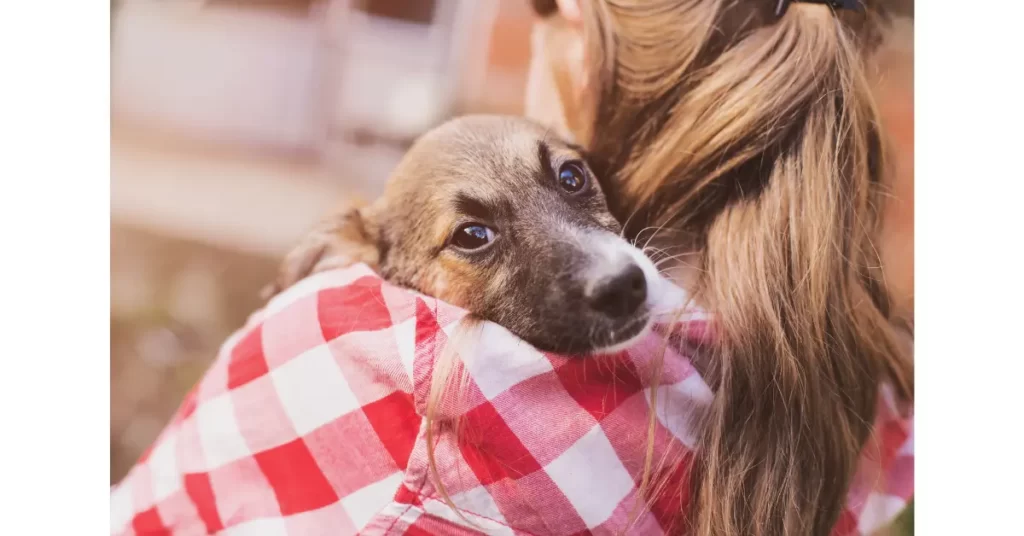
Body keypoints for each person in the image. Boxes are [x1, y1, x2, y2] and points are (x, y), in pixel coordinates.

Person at [111, 0, 914, 534]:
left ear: (568, 27)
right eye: (473, 237)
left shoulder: (365, 371)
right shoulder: (845, 399)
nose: (607, 267)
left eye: (569, 178)